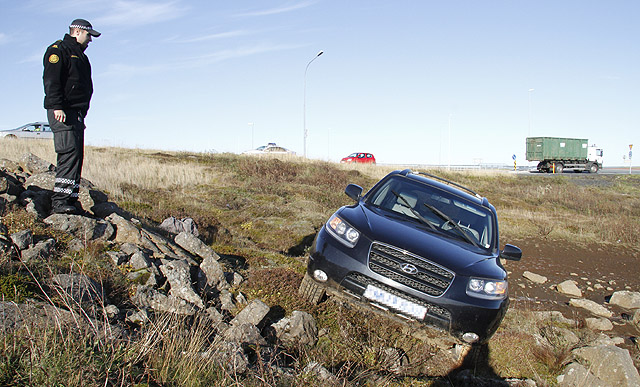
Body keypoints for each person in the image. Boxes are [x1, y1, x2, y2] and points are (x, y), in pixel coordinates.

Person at [43, 19, 100, 214]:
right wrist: (57, 106)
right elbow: (52, 80)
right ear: (77, 31)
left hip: (76, 114)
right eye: (88, 35)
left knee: (76, 156)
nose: (90, 40)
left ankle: (71, 199)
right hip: (63, 112)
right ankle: (59, 202)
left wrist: (82, 112)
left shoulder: (81, 56)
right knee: (68, 154)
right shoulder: (58, 50)